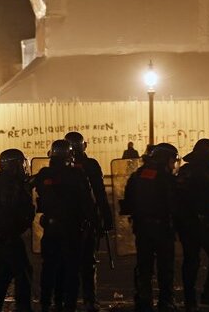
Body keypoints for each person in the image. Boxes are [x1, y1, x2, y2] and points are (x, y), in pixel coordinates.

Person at [34, 139, 97, 312]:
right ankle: (69, 304)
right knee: (71, 268)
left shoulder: (44, 174)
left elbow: (37, 192)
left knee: (49, 267)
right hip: (72, 229)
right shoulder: (77, 174)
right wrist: (93, 222)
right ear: (70, 155)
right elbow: (87, 201)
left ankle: (46, 303)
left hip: (51, 227)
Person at [122, 143, 179, 312]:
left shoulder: (138, 175)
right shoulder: (165, 178)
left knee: (144, 266)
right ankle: (166, 301)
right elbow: (174, 203)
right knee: (165, 266)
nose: (173, 165)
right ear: (165, 160)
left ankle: (143, 300)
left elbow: (127, 201)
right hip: (162, 228)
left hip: (142, 228)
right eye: (172, 161)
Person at [175, 139, 209, 310]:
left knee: (191, 259)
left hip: (185, 222)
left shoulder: (184, 171)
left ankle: (190, 298)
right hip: (205, 221)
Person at [64, 131, 114, 312]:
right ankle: (89, 300)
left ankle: (68, 301)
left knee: (69, 262)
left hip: (67, 222)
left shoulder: (62, 166)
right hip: (88, 220)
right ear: (83, 146)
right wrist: (106, 218)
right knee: (88, 262)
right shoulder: (91, 165)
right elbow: (100, 193)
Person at [0, 149, 35, 312]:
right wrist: (11, 231)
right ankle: (23, 307)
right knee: (23, 273)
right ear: (15, 165)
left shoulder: (5, 180)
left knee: (5, 272)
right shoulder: (9, 183)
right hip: (7, 235)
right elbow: (9, 209)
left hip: (1, 234)